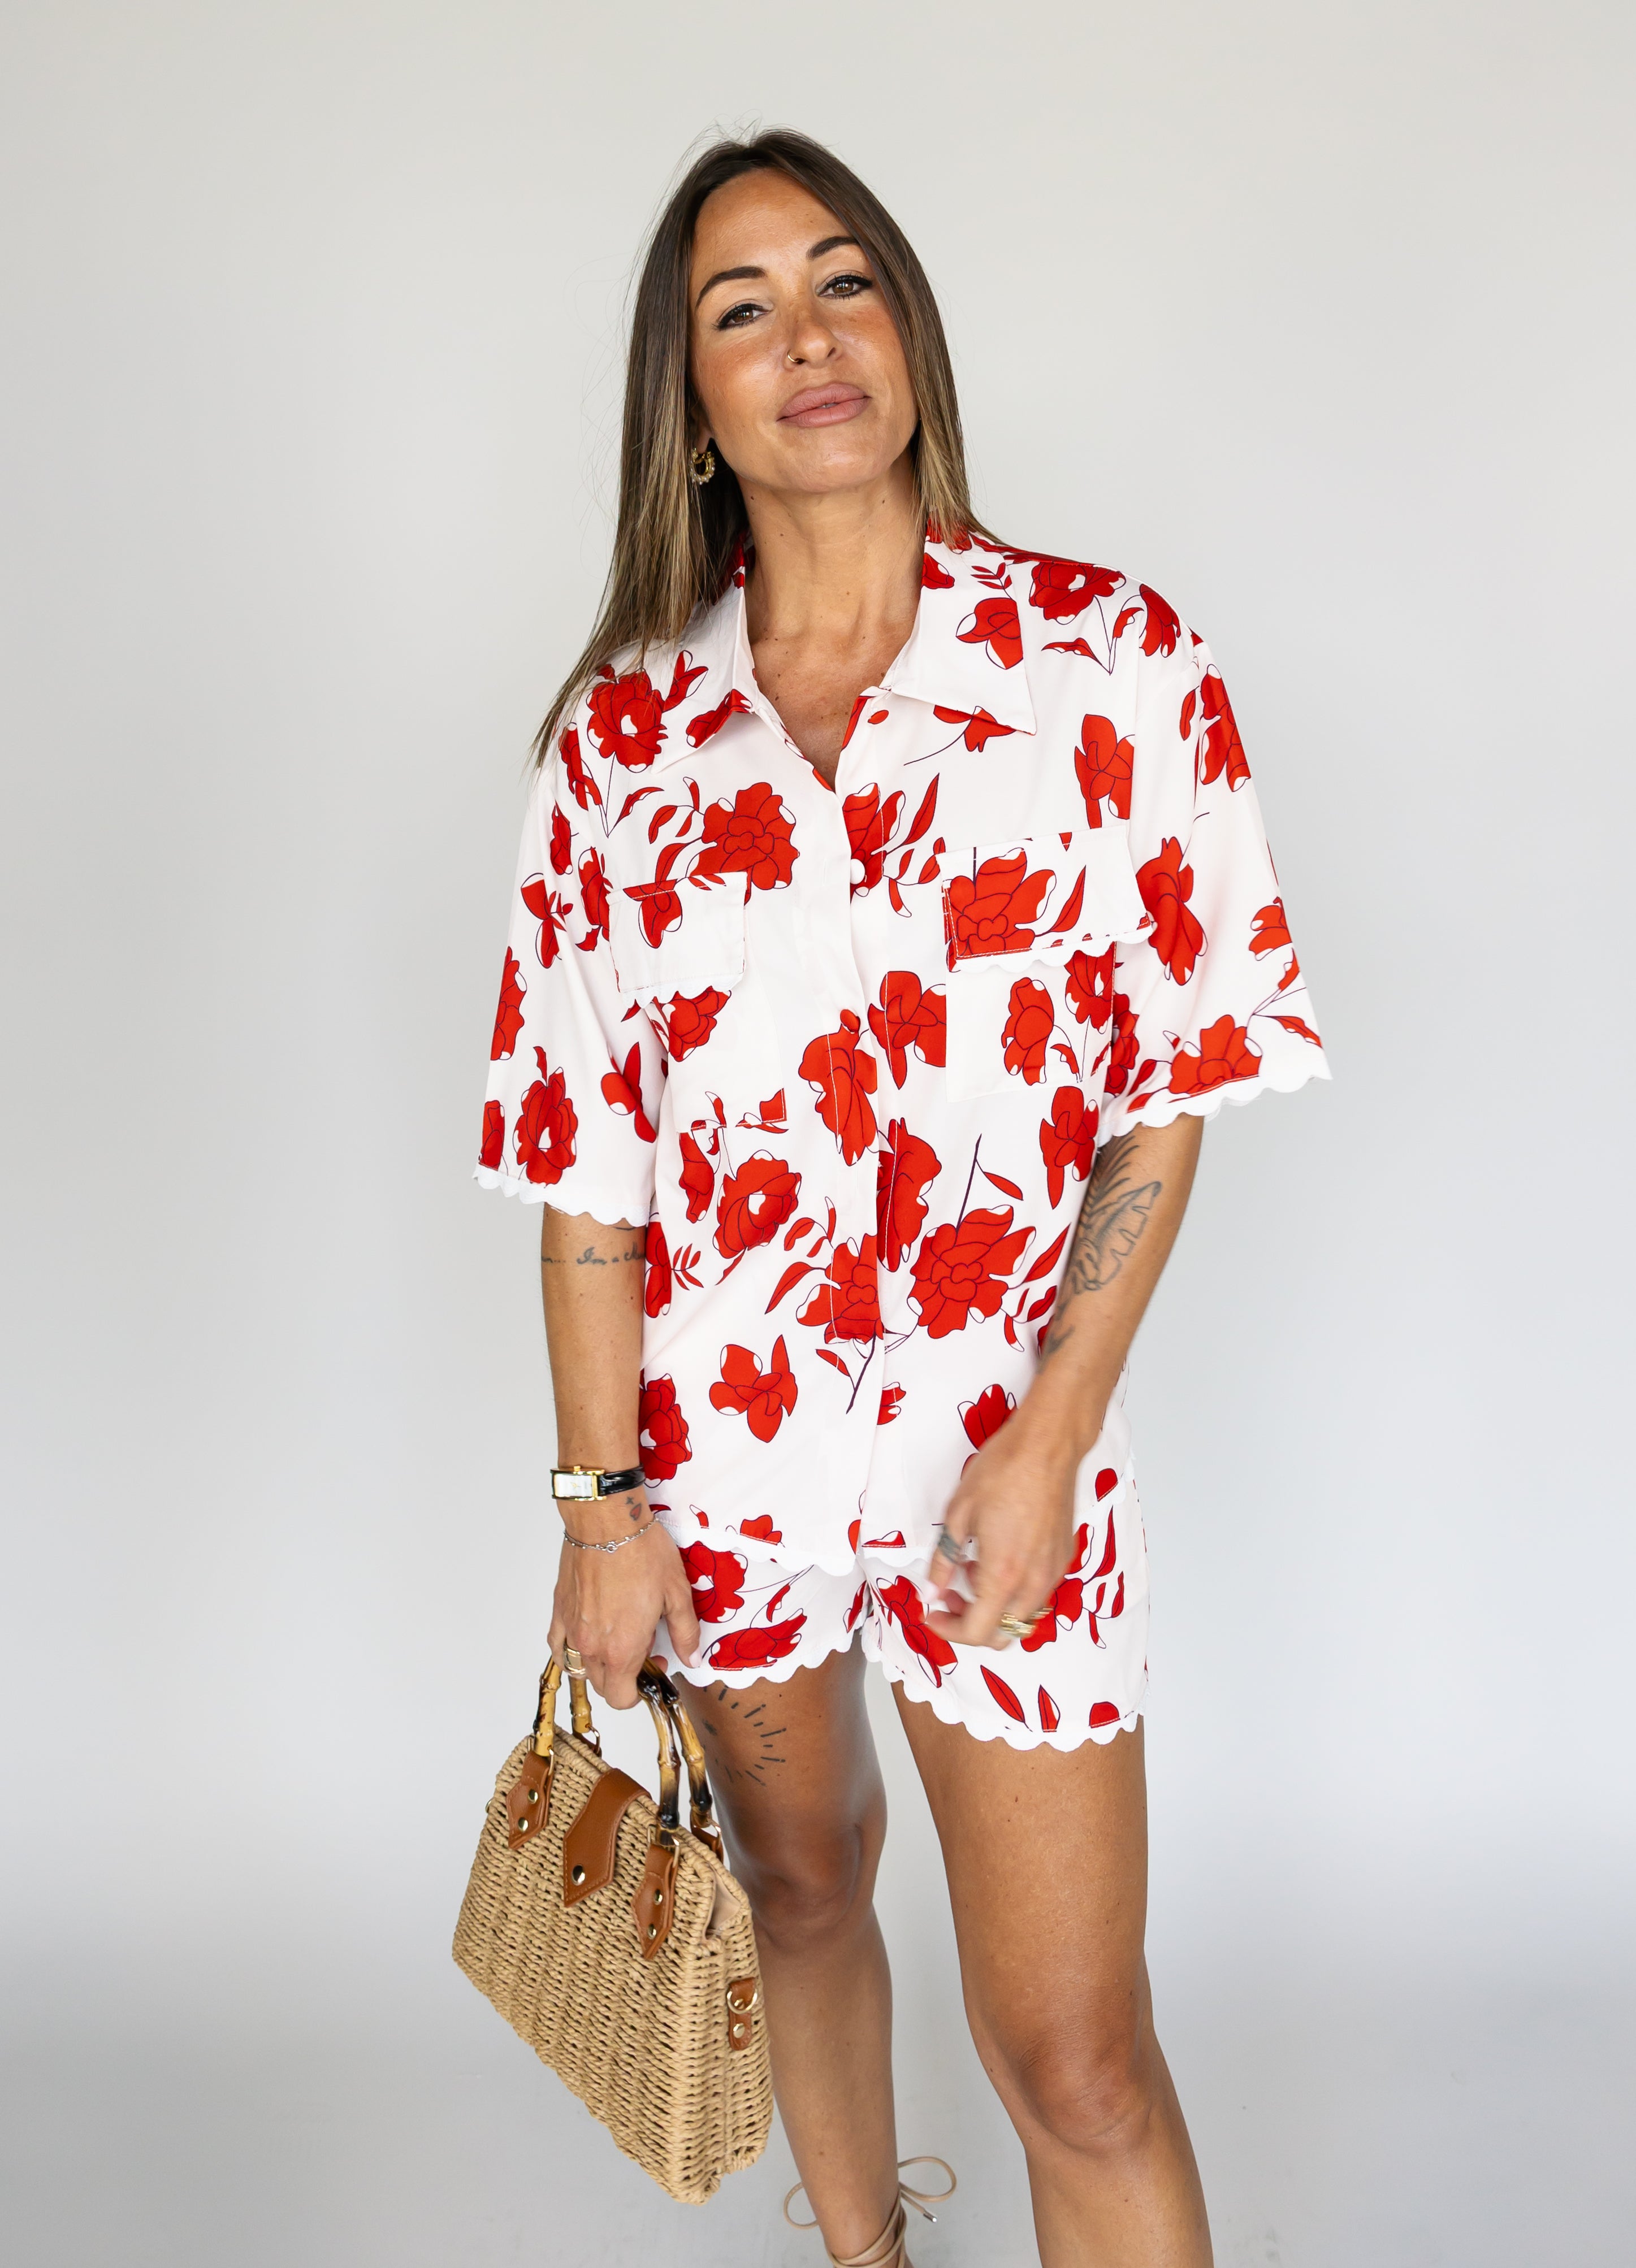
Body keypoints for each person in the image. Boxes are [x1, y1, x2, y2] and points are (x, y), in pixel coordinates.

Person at [475, 128, 1327, 2268]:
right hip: (725, 1457)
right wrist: (600, 1509)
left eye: (845, 281)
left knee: (1081, 2062)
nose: (808, 338)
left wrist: (1052, 1432)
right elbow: (584, 1167)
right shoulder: (621, 748)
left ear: (912, 335)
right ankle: (867, 2259)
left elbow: (1174, 1082)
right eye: (741, 308)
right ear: (692, 404)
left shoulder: (1109, 668)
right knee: (800, 1889)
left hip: (1002, 1450)